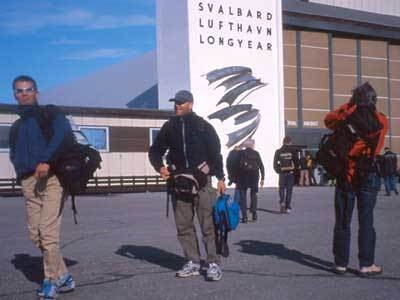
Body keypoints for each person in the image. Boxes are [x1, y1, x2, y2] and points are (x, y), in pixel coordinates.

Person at [8, 75, 75, 299]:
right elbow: (14, 153)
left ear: (37, 93)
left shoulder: (49, 113)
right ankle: (64, 275)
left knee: (47, 232)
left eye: (28, 90)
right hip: (29, 181)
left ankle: (51, 282)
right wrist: (21, 174)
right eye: (19, 90)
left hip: (52, 179)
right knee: (35, 235)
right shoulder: (16, 126)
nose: (24, 93)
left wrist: (46, 160)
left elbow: (63, 132)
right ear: (14, 94)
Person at [148, 90, 226, 281]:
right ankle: (193, 262)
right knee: (184, 226)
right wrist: (160, 167)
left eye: (181, 103)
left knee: (208, 225)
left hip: (203, 183)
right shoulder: (169, 127)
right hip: (178, 183)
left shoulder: (204, 127)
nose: (177, 106)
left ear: (191, 104)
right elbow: (155, 150)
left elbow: (216, 154)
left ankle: (213, 263)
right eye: (176, 102)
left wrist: (221, 178)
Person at [324, 82, 388, 277]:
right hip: (368, 174)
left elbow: (328, 120)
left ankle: (340, 264)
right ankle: (366, 264)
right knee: (366, 220)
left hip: (346, 174)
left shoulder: (345, 117)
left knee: (342, 220)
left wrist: (348, 107)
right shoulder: (381, 120)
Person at [236, 139, 265, 223]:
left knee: (243, 197)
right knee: (253, 195)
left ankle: (244, 217)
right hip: (254, 176)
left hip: (243, 176)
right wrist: (262, 178)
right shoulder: (256, 153)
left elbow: (237, 166)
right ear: (252, 145)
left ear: (245, 145)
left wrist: (235, 177)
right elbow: (261, 166)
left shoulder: (240, 153)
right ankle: (254, 214)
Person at [273, 136, 299, 213]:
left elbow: (275, 163)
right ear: (290, 142)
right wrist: (295, 171)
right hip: (290, 173)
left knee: (281, 188)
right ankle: (288, 207)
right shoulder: (293, 151)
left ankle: (282, 202)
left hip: (282, 172)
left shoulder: (278, 151)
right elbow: (296, 162)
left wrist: (278, 170)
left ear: (283, 142)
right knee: (289, 190)